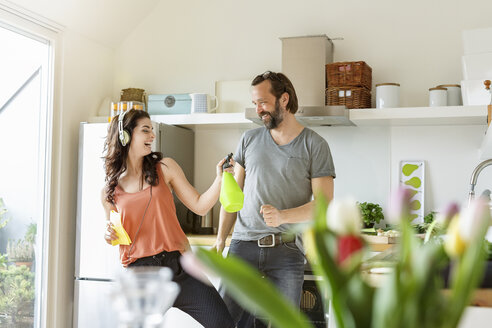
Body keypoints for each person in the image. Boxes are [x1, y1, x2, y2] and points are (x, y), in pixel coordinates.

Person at [212, 71, 336, 327]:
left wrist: (283, 216)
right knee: (223, 321)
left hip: (287, 249)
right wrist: (221, 238)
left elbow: (323, 205)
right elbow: (233, 196)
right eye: (255, 103)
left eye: (263, 102)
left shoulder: (315, 144)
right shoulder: (249, 139)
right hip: (243, 246)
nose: (258, 110)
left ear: (284, 100)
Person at [101, 109, 235, 328]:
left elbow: (200, 206)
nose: (152, 136)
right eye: (145, 130)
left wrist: (219, 179)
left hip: (180, 266)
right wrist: (109, 234)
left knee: (222, 323)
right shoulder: (110, 190)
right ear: (126, 136)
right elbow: (115, 236)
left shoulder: (165, 168)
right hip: (141, 275)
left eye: (152, 130)